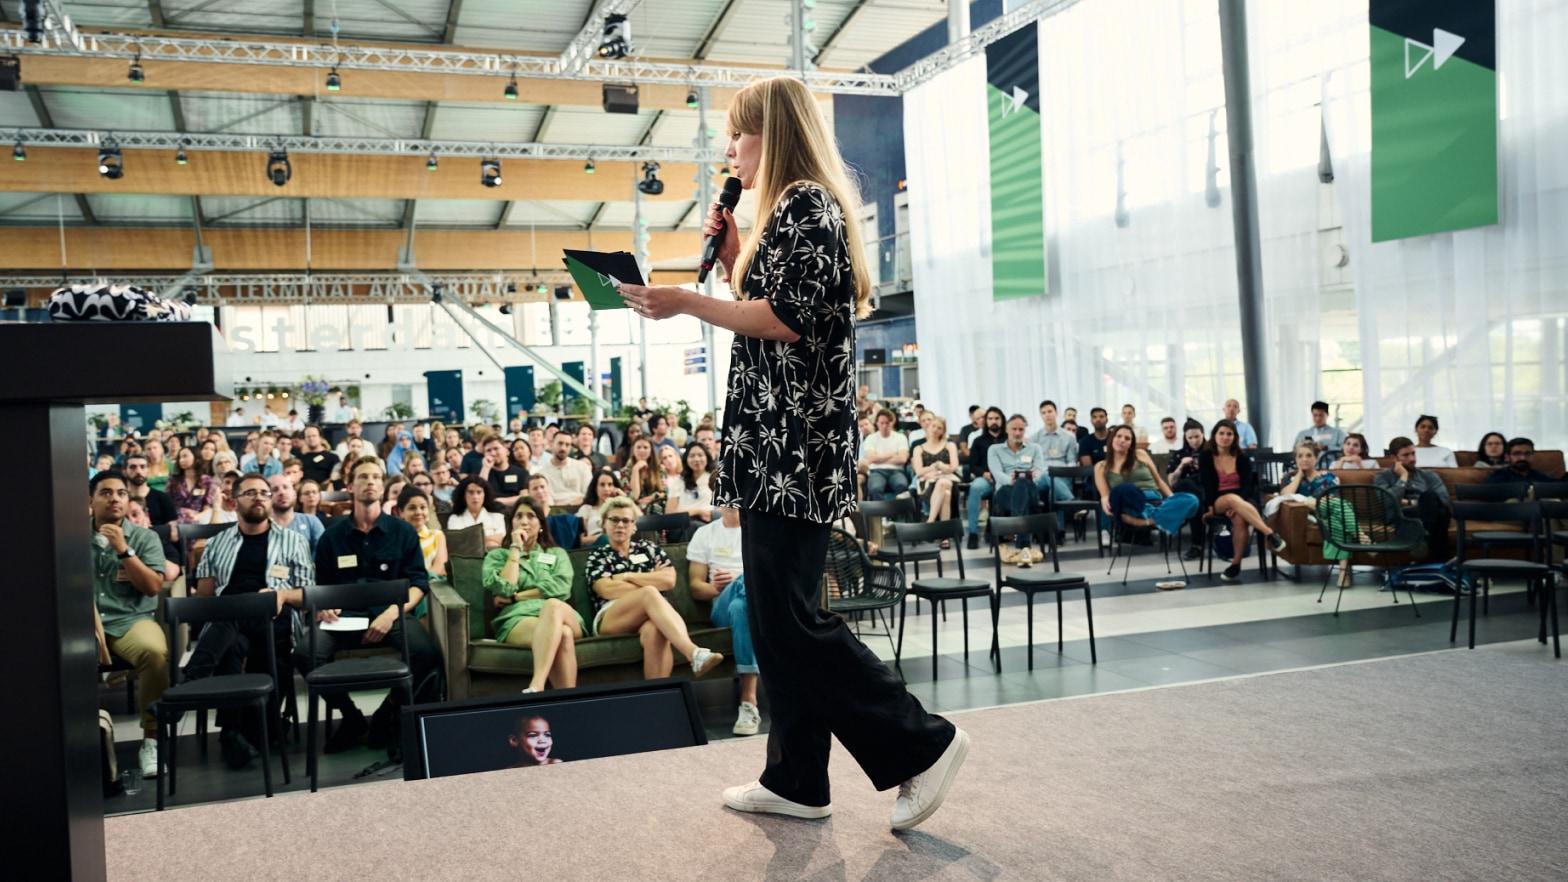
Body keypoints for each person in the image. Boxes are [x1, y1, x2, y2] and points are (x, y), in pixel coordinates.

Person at [614, 76, 965, 831]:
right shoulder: (788, 212)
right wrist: (734, 256)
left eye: (739, 135)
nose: (731, 151)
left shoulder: (807, 202)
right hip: (778, 445)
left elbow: (785, 320)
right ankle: (797, 778)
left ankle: (921, 744)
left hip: (792, 447)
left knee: (790, 621)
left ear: (772, 135)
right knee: (781, 619)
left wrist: (685, 299)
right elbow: (771, 304)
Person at [301, 458, 441, 756]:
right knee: (304, 654)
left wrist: (392, 613)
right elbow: (320, 587)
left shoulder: (403, 532)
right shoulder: (332, 536)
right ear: (350, 486)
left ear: (383, 485)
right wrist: (323, 606)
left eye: (376, 477)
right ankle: (351, 718)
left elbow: (418, 583)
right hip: (343, 618)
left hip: (391, 613)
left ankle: (387, 712)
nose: (370, 482)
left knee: (426, 653)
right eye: (363, 477)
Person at [187, 472, 314, 768]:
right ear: (234, 502)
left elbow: (307, 594)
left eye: (264, 493)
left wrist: (282, 595)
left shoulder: (293, 541)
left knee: (234, 630)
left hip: (275, 620)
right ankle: (234, 731)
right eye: (250, 492)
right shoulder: (216, 543)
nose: (259, 497)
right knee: (230, 641)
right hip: (229, 623)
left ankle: (195, 683)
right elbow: (205, 598)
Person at [585, 496, 722, 680]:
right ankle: (693, 653)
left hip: (652, 613)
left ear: (634, 526)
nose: (620, 525)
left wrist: (627, 576)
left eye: (626, 520)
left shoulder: (649, 548)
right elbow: (607, 589)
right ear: (604, 524)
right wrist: (650, 583)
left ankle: (658, 692)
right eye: (614, 520)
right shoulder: (598, 556)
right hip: (612, 616)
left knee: (655, 630)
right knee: (649, 593)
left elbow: (669, 580)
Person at [90, 469, 169, 779]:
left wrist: (124, 550)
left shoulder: (145, 537)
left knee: (154, 652)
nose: (115, 499)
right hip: (83, 622)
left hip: (131, 620)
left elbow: (152, 587)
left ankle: (152, 740)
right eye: (106, 492)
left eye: (121, 493)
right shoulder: (69, 536)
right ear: (91, 500)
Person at [483, 498, 583, 693]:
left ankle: (537, 684)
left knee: (552, 605)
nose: (524, 521)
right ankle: (570, 703)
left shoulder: (557, 553)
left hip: (561, 613)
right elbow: (504, 588)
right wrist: (515, 549)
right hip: (518, 618)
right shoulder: (497, 556)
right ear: (511, 523)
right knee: (563, 634)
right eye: (519, 516)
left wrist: (516, 597)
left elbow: (561, 588)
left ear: (541, 524)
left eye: (531, 516)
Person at [689, 506, 761, 735]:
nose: (732, 500)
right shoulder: (705, 534)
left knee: (741, 607)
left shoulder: (758, 531)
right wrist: (716, 587)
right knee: (745, 581)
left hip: (749, 605)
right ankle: (743, 584)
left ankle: (748, 703)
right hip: (720, 605)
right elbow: (695, 587)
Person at [1200, 419, 1287, 582]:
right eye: (1221, 433)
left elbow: (1247, 485)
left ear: (1234, 437)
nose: (1225, 437)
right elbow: (1207, 485)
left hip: (1242, 499)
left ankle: (1236, 564)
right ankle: (1269, 533)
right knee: (1231, 499)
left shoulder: (1242, 457)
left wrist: (1236, 505)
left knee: (1240, 519)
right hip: (1217, 500)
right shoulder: (1206, 457)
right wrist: (1210, 507)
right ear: (1214, 435)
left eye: (1229, 434)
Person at [1094, 424, 1200, 546]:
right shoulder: (1100, 466)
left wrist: (1173, 499)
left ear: (1131, 444)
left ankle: (1149, 521)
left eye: (1127, 438)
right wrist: (1107, 504)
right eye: (1118, 436)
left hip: (1154, 501)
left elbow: (1159, 481)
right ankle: (1163, 518)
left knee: (1192, 500)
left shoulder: (1140, 454)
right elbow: (1105, 496)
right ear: (1111, 439)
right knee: (1125, 488)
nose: (1122, 440)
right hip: (1129, 503)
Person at [1274, 442, 1350, 589]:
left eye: (1309, 455)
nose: (1304, 459)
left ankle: (1343, 572)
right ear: (1295, 459)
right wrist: (1299, 475)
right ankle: (1360, 539)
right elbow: (1284, 496)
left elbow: (1335, 501)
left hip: (1328, 514)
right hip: (1307, 518)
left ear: (1316, 458)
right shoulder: (1289, 478)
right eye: (1300, 456)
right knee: (1338, 521)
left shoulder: (1329, 477)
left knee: (1336, 520)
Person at [1374, 436, 1451, 561]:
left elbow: (1444, 500)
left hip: (1427, 511)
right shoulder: (1382, 477)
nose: (1412, 459)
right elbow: (1388, 502)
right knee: (1440, 515)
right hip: (1402, 516)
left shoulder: (1429, 475)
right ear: (1394, 458)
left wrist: (1409, 502)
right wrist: (1403, 477)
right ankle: (1440, 561)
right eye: (1406, 455)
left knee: (1431, 498)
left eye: (1413, 453)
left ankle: (1422, 538)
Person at [1165, 420, 1210, 561]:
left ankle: (1197, 545)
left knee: (1195, 500)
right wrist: (1181, 466)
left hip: (1207, 490)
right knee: (1186, 484)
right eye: (1190, 437)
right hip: (1186, 493)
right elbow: (1171, 482)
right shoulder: (1179, 454)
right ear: (1185, 437)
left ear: (1203, 434)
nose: (1194, 441)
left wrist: (1204, 466)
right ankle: (1197, 545)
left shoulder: (1211, 452)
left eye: (1197, 436)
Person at [963, 407, 1007, 549]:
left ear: (1002, 420)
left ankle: (998, 530)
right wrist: (983, 473)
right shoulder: (978, 441)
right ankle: (973, 533)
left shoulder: (1009, 439)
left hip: (1004, 478)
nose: (994, 421)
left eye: (997, 418)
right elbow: (972, 465)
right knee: (975, 488)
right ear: (986, 421)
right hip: (986, 478)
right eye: (990, 418)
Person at [1032, 400, 1079, 528]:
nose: (1047, 415)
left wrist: (1064, 472)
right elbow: (1033, 463)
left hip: (1063, 476)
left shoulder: (1069, 437)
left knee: (1053, 490)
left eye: (1050, 411)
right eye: (1043, 413)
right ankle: (1073, 503)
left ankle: (1058, 531)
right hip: (1041, 478)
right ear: (1040, 415)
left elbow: (1071, 461)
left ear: (1056, 413)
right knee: (1048, 474)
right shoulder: (1034, 438)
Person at [913, 416, 959, 530]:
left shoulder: (949, 445)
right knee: (946, 494)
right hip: (928, 483)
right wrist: (935, 467)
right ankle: (944, 535)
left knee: (943, 483)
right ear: (928, 427)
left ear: (943, 431)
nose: (935, 430)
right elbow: (918, 471)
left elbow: (954, 467)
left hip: (949, 479)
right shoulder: (918, 448)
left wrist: (940, 468)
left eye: (939, 428)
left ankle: (930, 521)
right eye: (933, 426)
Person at [264, 472, 324, 552]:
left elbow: (324, 553)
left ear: (294, 494)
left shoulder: (311, 521)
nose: (282, 492)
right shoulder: (260, 525)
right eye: (275, 489)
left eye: (286, 487)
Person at [860, 408, 910, 500]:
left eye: (887, 423)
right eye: (882, 423)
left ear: (892, 422)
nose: (884, 426)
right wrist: (892, 454)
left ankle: (897, 510)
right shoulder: (871, 438)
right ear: (877, 423)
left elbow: (902, 459)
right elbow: (871, 458)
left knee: (902, 486)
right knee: (875, 488)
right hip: (876, 471)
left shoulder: (901, 437)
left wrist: (878, 458)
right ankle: (879, 510)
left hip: (897, 470)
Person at [447, 476, 505, 549]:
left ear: (485, 494)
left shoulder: (497, 517)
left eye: (479, 492)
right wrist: (489, 539)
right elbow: (457, 543)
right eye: (471, 492)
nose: (475, 497)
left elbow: (502, 540)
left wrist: (469, 538)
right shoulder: (454, 518)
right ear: (463, 495)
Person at [537, 433, 594, 507]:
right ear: (552, 444)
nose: (563, 448)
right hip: (555, 510)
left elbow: (589, 493)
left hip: (582, 508)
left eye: (567, 445)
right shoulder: (542, 473)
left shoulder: (582, 467)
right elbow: (547, 501)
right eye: (560, 443)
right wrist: (567, 505)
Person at [669, 443, 716, 526]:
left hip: (709, 523)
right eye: (692, 456)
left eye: (700, 455)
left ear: (707, 457)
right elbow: (670, 512)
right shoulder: (679, 481)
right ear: (686, 459)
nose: (696, 459)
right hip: (684, 524)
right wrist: (697, 511)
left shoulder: (715, 478)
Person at [168, 445, 216, 524]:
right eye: (179, 457)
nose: (181, 460)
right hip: (177, 519)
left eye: (185, 456)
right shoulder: (173, 480)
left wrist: (197, 517)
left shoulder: (207, 481)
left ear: (196, 458)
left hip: (199, 520)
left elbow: (208, 506)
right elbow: (168, 503)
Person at [479, 436, 529, 508]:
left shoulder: (522, 473)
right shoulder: (483, 472)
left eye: (496, 448)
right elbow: (479, 494)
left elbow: (524, 498)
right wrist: (486, 467)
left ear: (507, 451)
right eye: (488, 450)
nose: (493, 453)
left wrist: (497, 501)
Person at [578, 468, 623, 546]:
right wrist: (601, 537)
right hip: (597, 545)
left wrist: (624, 499)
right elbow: (580, 540)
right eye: (602, 485)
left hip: (619, 543)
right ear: (595, 488)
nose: (606, 489)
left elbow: (638, 520)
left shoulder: (620, 508)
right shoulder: (587, 509)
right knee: (605, 539)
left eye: (610, 485)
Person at [1487, 437, 1554, 486]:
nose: (1523, 458)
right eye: (1517, 454)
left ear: (1533, 456)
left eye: (1527, 453)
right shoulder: (1498, 478)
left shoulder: (1539, 476)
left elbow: (1556, 486)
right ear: (1507, 457)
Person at [624, 437, 662, 513]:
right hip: (635, 511)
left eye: (645, 447)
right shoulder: (624, 472)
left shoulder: (659, 469)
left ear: (651, 451)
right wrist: (635, 470)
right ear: (633, 450)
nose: (642, 450)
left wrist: (652, 497)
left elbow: (666, 492)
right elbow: (634, 496)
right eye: (638, 447)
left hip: (657, 509)